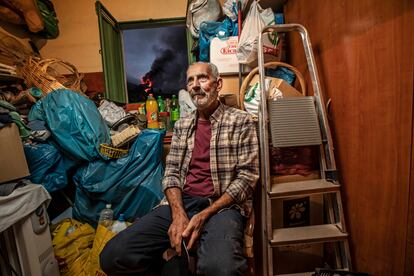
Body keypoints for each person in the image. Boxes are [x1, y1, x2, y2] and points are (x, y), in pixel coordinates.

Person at [100, 62, 259, 276]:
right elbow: (172, 172)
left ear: (218, 84)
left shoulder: (241, 121)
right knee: (113, 256)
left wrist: (204, 215)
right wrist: (178, 213)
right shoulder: (183, 125)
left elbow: (247, 178)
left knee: (221, 268)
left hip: (221, 206)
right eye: (190, 80)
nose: (194, 85)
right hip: (182, 202)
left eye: (202, 78)